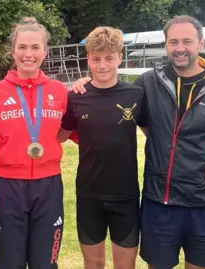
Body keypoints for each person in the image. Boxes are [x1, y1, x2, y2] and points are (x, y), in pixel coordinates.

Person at [72, 15, 205, 269]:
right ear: (166, 45)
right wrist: (85, 85)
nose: (180, 48)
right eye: (173, 42)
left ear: (201, 44)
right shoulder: (148, 83)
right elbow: (112, 95)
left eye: (187, 41)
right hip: (160, 204)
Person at [0, 17, 68, 269]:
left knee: (45, 263)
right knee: (9, 262)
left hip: (48, 186)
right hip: (7, 188)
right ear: (12, 50)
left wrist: (88, 88)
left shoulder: (60, 91)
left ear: (45, 52)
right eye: (22, 47)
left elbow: (74, 129)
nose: (28, 54)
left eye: (35, 47)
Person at [58, 26, 147, 269]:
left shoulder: (136, 95)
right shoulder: (77, 96)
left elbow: (154, 136)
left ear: (120, 57)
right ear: (88, 59)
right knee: (93, 264)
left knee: (125, 264)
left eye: (109, 58)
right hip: (89, 195)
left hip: (125, 195)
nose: (103, 65)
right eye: (96, 59)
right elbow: (58, 137)